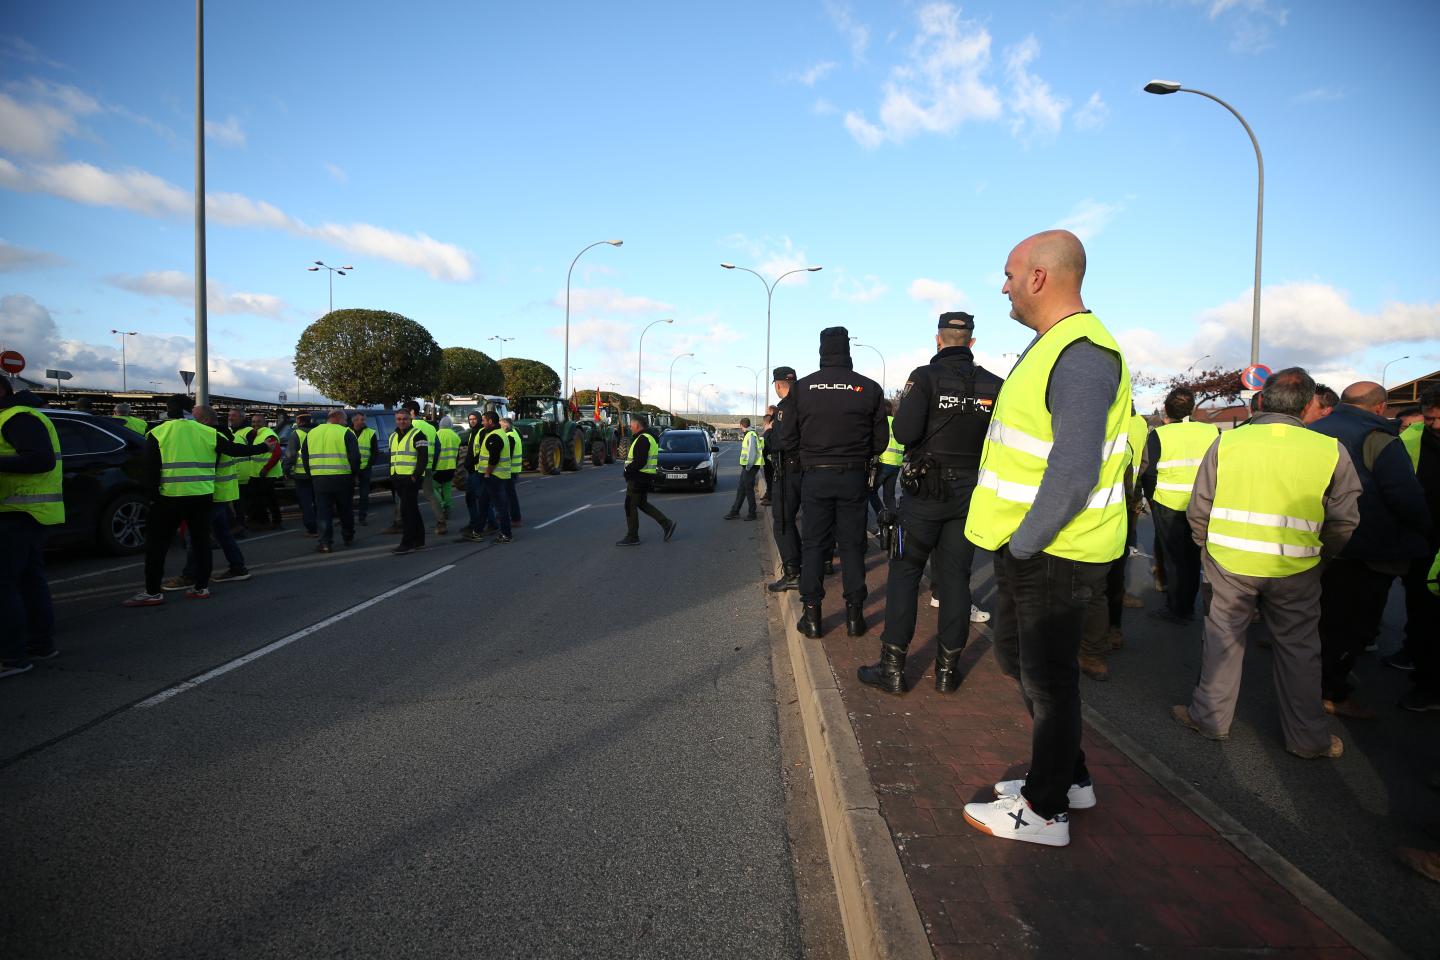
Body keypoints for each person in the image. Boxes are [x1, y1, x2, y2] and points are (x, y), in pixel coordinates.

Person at [961, 229, 1130, 848]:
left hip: (1054, 549)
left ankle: (1045, 809)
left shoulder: (1081, 352)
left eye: (1008, 273)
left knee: (1048, 680)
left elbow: (1074, 468)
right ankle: (1071, 775)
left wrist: (1026, 543)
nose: (1001, 285)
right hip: (1035, 546)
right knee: (1021, 660)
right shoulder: (1051, 345)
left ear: (1039, 277)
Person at [1174, 367, 1361, 759]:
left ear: (1263, 399)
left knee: (1223, 641)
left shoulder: (1227, 443)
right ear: (1310, 404)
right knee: (1299, 651)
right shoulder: (1330, 449)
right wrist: (1322, 556)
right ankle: (1309, 740)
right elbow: (1344, 520)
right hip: (1298, 567)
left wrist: (1205, 548)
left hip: (1229, 562)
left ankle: (1209, 719)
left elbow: (1199, 507)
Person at [858, 311, 1001, 695]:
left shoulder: (924, 377)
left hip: (923, 495)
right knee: (956, 579)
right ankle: (946, 672)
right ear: (971, 343)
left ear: (938, 340)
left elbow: (902, 433)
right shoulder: (995, 385)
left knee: (904, 574)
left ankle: (892, 669)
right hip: (970, 493)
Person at [1308, 381, 1431, 717]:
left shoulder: (1312, 431)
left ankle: (1315, 680)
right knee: (1354, 625)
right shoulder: (1378, 438)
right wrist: (1426, 530)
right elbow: (1404, 495)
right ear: (1380, 407)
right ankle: (1332, 691)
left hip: (1318, 540)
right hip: (1367, 546)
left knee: (1324, 616)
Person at [780, 327, 887, 639]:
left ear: (822, 351)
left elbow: (786, 438)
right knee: (853, 545)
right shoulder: (868, 388)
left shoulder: (803, 388)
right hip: (853, 476)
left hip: (815, 476)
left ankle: (812, 616)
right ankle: (855, 617)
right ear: (848, 350)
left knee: (813, 544)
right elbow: (880, 441)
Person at [125, 397, 273, 606]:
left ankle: (152, 592)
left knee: (157, 546)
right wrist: (263, 448)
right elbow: (233, 450)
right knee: (201, 542)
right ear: (189, 411)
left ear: (168, 411)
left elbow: (149, 470)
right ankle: (201, 587)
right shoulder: (208, 432)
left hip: (170, 497)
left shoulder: (158, 432)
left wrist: (152, 498)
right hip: (202, 496)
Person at [0, 376, 63, 677]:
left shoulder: (17, 418)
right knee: (28, 579)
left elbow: (41, 459)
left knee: (6, 585)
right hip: (25, 510)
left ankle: (12, 656)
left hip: (17, 510)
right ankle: (40, 644)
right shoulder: (17, 416)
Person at [1141, 388, 1220, 624]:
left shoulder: (1159, 435)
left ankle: (1178, 608)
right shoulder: (1212, 431)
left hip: (1169, 505)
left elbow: (1148, 472)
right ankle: (1190, 603)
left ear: (1166, 409)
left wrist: (1152, 498)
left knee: (1175, 559)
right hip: (1204, 504)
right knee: (1195, 557)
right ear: (1192, 408)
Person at [167, 405, 254, 589]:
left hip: (211, 493)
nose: (190, 421)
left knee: (195, 534)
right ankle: (238, 567)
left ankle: (190, 574)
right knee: (221, 533)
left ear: (205, 421)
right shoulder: (219, 434)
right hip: (219, 492)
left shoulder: (210, 436)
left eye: (194, 418)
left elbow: (210, 465)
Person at [1391, 388, 1440, 705]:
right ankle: (1426, 678)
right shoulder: (1411, 439)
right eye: (1430, 418)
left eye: (1439, 418)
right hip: (1423, 541)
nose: (1434, 425)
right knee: (1423, 612)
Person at [304, 409, 362, 553]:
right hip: (342, 477)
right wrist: (355, 473)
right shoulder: (346, 433)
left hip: (319, 479)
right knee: (345, 509)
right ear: (338, 418)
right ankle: (348, 536)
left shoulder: (311, 433)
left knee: (323, 512)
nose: (346, 422)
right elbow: (355, 457)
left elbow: (305, 456)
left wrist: (310, 473)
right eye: (345, 420)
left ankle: (325, 543)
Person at [766, 368, 803, 592]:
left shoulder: (785, 408)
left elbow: (780, 442)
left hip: (789, 470)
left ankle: (792, 573)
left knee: (782, 520)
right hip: (805, 469)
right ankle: (801, 564)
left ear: (779, 385)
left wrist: (769, 431)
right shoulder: (807, 402)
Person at [617, 413, 676, 546]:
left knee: (630, 505)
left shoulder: (643, 439)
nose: (630, 427)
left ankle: (632, 536)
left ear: (637, 425)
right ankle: (667, 524)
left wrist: (627, 470)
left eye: (631, 425)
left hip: (638, 478)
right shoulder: (649, 437)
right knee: (642, 504)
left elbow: (640, 461)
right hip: (644, 477)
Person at [464, 411, 513, 544]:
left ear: (490, 421)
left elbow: (494, 458)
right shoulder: (496, 433)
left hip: (494, 476)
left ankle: (506, 534)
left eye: (484, 420)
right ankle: (477, 531)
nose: (482, 422)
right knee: (484, 503)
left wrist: (487, 473)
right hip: (493, 476)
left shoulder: (494, 436)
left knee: (500, 506)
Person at [389, 408, 429, 555]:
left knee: (406, 511)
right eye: (399, 419)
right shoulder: (393, 436)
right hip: (397, 477)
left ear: (410, 419)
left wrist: (415, 475)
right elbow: (393, 456)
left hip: (411, 478)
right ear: (395, 420)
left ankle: (407, 543)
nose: (402, 421)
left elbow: (423, 457)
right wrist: (391, 474)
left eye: (404, 419)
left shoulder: (418, 434)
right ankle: (419, 540)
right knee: (412, 510)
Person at [240, 411, 282, 529]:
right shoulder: (257, 434)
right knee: (269, 498)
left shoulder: (268, 434)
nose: (255, 424)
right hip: (259, 473)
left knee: (261, 498)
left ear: (265, 423)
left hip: (266, 473)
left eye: (258, 421)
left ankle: (264, 521)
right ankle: (274, 521)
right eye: (253, 422)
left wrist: (266, 468)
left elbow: (277, 453)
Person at [868, 399, 904, 526]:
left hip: (882, 463)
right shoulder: (897, 424)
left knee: (870, 492)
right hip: (896, 465)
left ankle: (883, 516)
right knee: (889, 497)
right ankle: (893, 526)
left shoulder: (880, 424)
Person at [286, 411, 318, 536]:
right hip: (317, 472)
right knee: (318, 501)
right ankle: (322, 523)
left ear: (298, 421)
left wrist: (286, 470)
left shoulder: (296, 434)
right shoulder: (317, 432)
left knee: (305, 502)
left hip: (302, 474)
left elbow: (291, 455)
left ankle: (311, 528)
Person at [724, 417, 762, 521]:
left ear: (741, 425)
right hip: (748, 467)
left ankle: (752, 513)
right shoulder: (750, 434)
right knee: (741, 489)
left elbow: (752, 453)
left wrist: (748, 467)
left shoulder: (750, 435)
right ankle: (735, 511)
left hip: (750, 467)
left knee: (748, 490)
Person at [434, 415, 461, 534]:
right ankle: (448, 507)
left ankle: (441, 504)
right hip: (451, 467)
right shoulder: (456, 436)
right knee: (447, 488)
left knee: (433, 487)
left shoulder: (437, 434)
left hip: (439, 467)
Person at [351, 412, 378, 526]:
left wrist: (369, 464)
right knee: (347, 494)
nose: (363, 421)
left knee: (364, 494)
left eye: (364, 419)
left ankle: (362, 517)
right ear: (354, 421)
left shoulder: (370, 433)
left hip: (364, 468)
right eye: (361, 419)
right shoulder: (346, 432)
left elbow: (374, 452)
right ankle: (348, 517)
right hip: (349, 468)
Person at [502, 416, 523, 527]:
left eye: (500, 424)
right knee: (509, 495)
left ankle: (514, 518)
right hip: (514, 469)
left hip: (509, 470)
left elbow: (507, 455)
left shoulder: (509, 436)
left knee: (509, 496)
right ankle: (513, 517)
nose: (499, 426)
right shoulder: (515, 432)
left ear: (506, 425)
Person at [760, 407, 777, 505]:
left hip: (770, 460)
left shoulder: (769, 433)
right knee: (769, 479)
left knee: (771, 479)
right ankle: (768, 494)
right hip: (768, 459)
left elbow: (768, 446)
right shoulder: (768, 432)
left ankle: (770, 498)